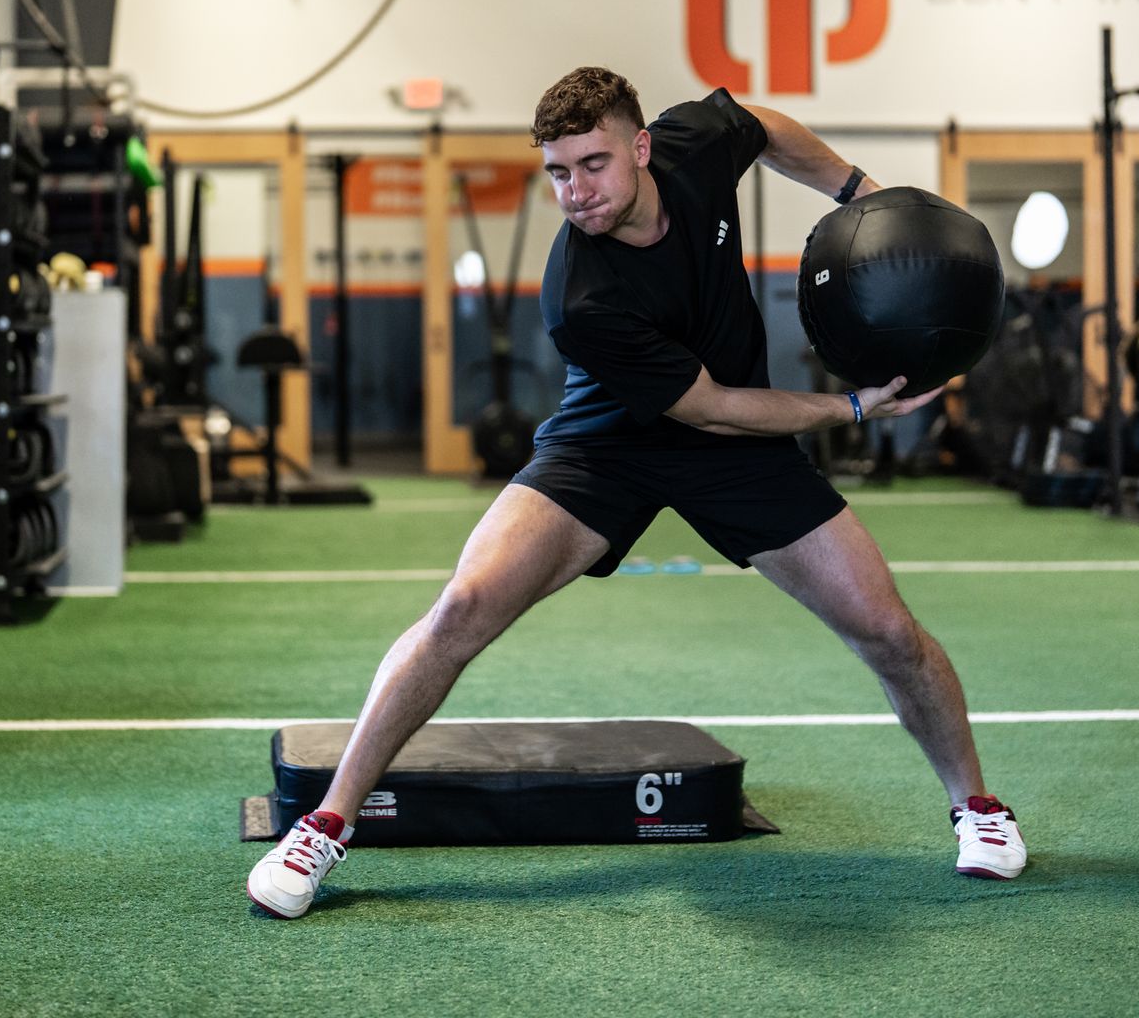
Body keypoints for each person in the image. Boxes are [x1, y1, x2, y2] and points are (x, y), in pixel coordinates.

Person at [246, 68, 1027, 919]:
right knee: (462, 607)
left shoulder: (697, 147)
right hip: (608, 444)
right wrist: (851, 407)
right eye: (557, 172)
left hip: (736, 456)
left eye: (592, 164)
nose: (574, 191)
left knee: (887, 629)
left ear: (643, 147)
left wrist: (860, 192)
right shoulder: (581, 294)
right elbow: (714, 408)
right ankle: (325, 826)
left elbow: (761, 125)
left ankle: (978, 809)